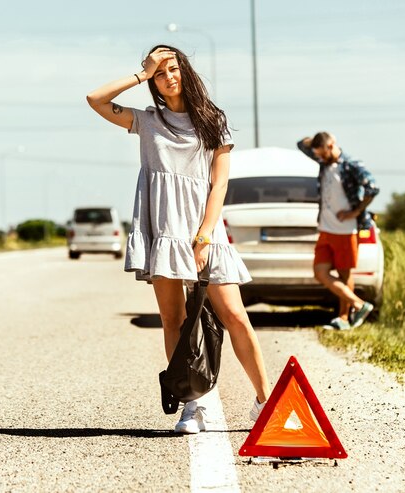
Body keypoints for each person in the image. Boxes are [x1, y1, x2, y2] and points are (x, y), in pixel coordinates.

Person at [86, 45, 272, 434]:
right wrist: (140, 74)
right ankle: (194, 406)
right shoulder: (148, 120)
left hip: (204, 228)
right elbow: (95, 99)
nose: (167, 76)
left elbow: (219, 183)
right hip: (164, 228)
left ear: (184, 71)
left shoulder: (212, 120)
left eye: (172, 68)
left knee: (235, 315)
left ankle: (264, 402)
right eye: (159, 72)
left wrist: (204, 233)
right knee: (174, 319)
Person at [297, 132, 380, 330]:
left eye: (323, 153)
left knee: (344, 274)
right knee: (320, 272)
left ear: (332, 145)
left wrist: (356, 211)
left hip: (346, 230)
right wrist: (318, 139)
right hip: (325, 228)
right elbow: (301, 144)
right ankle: (359, 305)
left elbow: (373, 187)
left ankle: (343, 318)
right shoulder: (323, 160)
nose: (321, 158)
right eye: (319, 155)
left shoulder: (351, 165)